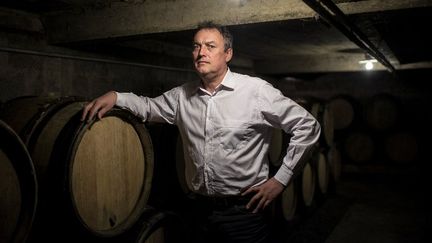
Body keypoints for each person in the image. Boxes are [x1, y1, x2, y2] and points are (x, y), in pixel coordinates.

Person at [81, 21, 320, 243]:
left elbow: (308, 126)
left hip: (245, 211)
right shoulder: (182, 96)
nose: (201, 52)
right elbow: (148, 107)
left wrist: (281, 179)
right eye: (196, 46)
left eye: (210, 46)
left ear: (228, 54)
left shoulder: (255, 91)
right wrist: (116, 96)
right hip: (197, 209)